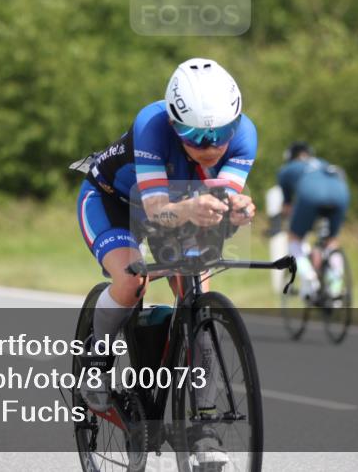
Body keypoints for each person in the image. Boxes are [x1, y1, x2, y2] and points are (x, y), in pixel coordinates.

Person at [75, 57, 257, 462]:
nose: (209, 147)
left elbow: (222, 193)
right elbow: (157, 210)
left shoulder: (246, 135)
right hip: (114, 202)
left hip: (178, 207)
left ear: (236, 121)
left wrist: (239, 207)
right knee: (130, 281)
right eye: (193, 135)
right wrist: (196, 208)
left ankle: (205, 424)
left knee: (198, 288)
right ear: (174, 124)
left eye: (221, 134)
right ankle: (97, 359)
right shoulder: (152, 125)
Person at [276, 141, 350, 301]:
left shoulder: (287, 170)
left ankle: (309, 277)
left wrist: (287, 222)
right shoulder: (322, 163)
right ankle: (335, 288)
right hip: (341, 194)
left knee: (294, 239)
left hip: (310, 196)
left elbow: (287, 207)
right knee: (331, 241)